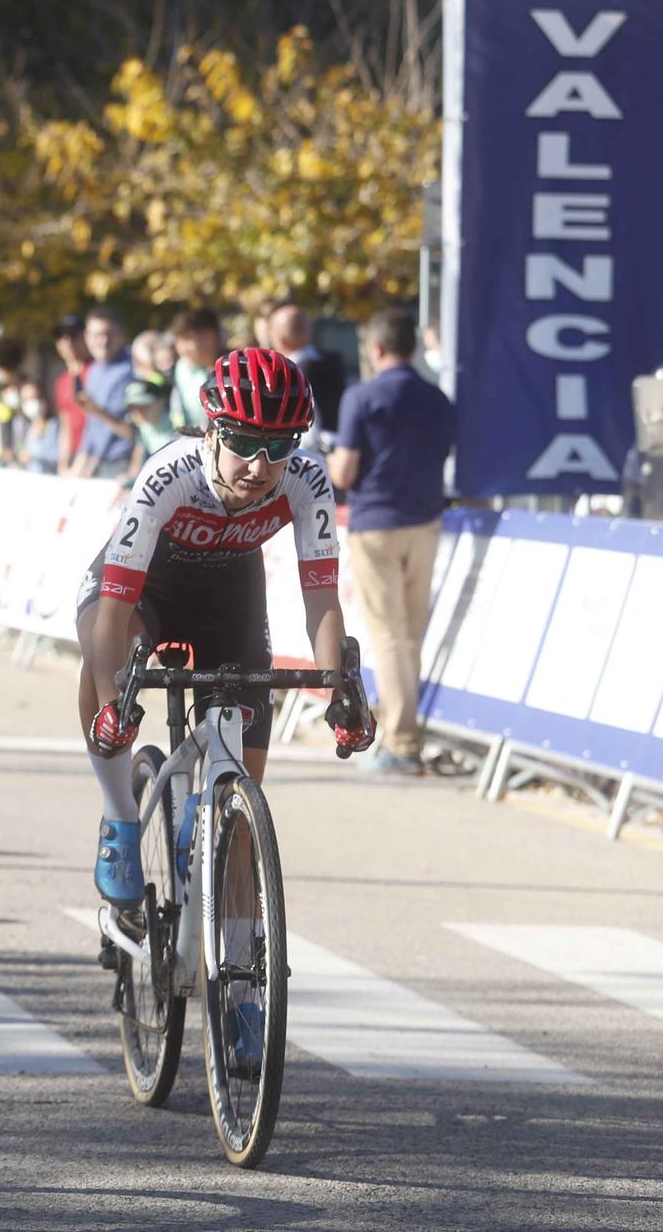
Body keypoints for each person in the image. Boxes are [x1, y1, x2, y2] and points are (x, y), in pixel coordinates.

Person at [75, 348, 375, 936]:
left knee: (241, 803)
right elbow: (114, 613)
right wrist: (115, 705)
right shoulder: (167, 472)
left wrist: (339, 691)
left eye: (280, 446)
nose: (260, 466)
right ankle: (120, 819)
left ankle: (241, 992)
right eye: (241, 441)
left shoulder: (309, 481)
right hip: (145, 589)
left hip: (229, 595)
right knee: (101, 662)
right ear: (212, 429)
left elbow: (323, 601)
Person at [328, 310, 455, 777]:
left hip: (376, 521)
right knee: (410, 635)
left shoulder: (361, 397)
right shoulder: (438, 398)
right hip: (426, 521)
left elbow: (343, 471)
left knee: (388, 637)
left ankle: (402, 742)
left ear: (376, 348)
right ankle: (406, 733)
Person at [269, 304, 347, 453]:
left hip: (312, 457)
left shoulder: (290, 374)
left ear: (280, 338)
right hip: (342, 449)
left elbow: (309, 434)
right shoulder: (333, 362)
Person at [70, 309, 136, 478]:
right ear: (86, 337)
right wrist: (81, 463)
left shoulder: (133, 366)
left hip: (124, 464)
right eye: (97, 335)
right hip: (98, 465)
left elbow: (134, 431)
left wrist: (96, 410)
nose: (103, 341)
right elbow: (93, 424)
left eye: (109, 334)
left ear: (120, 335)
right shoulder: (93, 370)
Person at [166, 308, 225, 431]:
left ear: (210, 337)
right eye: (177, 340)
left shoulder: (229, 371)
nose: (180, 346)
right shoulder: (181, 367)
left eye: (186, 339)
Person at [52, 317, 89, 467]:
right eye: (61, 337)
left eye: (73, 336)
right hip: (74, 459)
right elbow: (65, 422)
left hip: (96, 458)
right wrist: (63, 462)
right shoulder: (61, 381)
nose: (67, 342)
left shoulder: (97, 372)